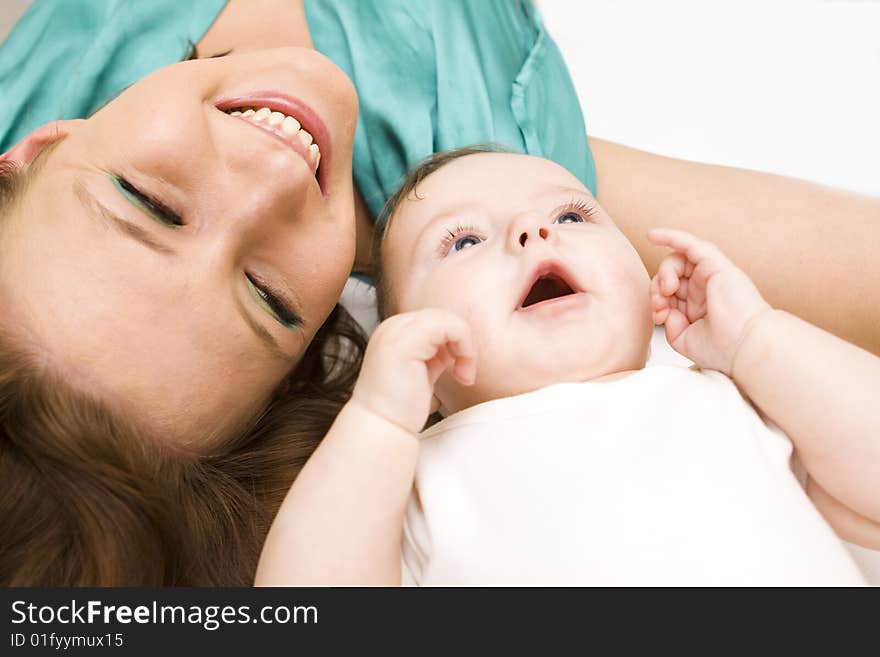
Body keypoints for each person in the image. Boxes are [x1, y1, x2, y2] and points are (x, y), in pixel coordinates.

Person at [1, 0, 877, 585]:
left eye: (149, 205)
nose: (266, 181)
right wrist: (378, 426)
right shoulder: (502, 178)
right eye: (269, 298)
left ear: (35, 150)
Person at [255, 148, 879, 585]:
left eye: (571, 216)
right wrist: (375, 421)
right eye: (464, 241)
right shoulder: (413, 478)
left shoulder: (733, 400)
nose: (532, 229)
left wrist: (758, 341)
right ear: (408, 344)